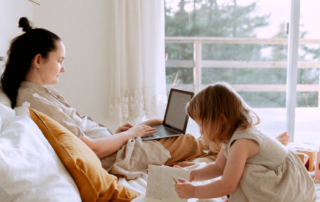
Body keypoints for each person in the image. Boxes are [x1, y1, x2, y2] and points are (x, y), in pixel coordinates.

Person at [1, 17, 289, 176]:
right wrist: (127, 137)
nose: (64, 67)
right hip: (118, 157)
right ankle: (254, 147)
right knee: (187, 140)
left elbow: (85, 135)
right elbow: (93, 150)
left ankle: (252, 143)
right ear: (38, 60)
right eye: (60, 60)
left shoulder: (40, 94)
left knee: (154, 122)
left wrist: (119, 132)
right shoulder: (33, 102)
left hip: (117, 146)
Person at [174, 82, 316, 201]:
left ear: (221, 120)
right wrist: (192, 175)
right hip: (283, 181)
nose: (200, 131)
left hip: (287, 188)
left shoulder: (241, 142)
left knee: (242, 173)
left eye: (201, 125)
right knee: (233, 168)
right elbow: (218, 167)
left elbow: (227, 185)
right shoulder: (231, 137)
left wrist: (193, 192)